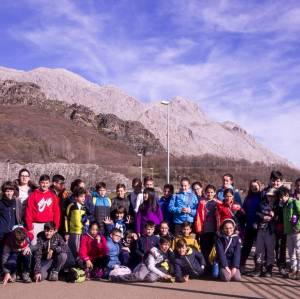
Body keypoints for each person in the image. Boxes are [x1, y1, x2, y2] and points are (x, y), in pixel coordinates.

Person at [25, 174, 61, 246]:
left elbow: (56, 212)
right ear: (39, 183)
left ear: (49, 183)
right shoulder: (33, 195)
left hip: (49, 225)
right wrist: (30, 227)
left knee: (48, 246)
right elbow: (28, 212)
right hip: (36, 225)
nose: (45, 185)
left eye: (47, 183)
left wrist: (56, 226)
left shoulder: (53, 196)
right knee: (34, 245)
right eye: (43, 183)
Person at [251, 189, 276, 277]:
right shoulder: (262, 204)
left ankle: (269, 269)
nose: (271, 197)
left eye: (272, 196)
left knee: (270, 250)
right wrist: (263, 217)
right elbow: (257, 213)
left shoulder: (278, 205)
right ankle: (258, 268)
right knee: (259, 249)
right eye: (269, 195)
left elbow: (280, 217)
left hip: (271, 231)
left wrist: (274, 215)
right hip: (261, 229)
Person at [240, 180, 262, 272]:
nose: (254, 188)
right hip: (249, 226)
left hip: (259, 226)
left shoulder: (262, 197)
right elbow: (243, 211)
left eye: (256, 186)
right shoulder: (248, 198)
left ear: (259, 186)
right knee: (246, 247)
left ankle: (258, 266)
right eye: (252, 186)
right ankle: (241, 265)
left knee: (259, 248)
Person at [194, 184, 219, 265]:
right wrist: (199, 229)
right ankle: (205, 266)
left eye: (212, 192)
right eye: (208, 192)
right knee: (204, 248)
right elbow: (198, 217)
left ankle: (212, 267)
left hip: (215, 230)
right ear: (205, 193)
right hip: (204, 229)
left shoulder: (218, 203)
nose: (210, 194)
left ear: (215, 193)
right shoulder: (202, 203)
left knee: (213, 248)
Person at [280, 186, 300, 280]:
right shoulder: (284, 205)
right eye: (280, 197)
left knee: (298, 251)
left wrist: (298, 226)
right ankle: (293, 269)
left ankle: (299, 271)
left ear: (287, 195)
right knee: (291, 252)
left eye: (282, 196)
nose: (281, 199)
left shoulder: (294, 202)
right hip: (288, 232)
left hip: (297, 231)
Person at [65, 187, 90, 258]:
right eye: (81, 196)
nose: (83, 198)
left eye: (84, 196)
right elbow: (66, 219)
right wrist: (67, 232)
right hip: (73, 233)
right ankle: (71, 266)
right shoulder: (71, 206)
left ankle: (78, 265)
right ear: (76, 197)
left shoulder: (84, 208)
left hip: (82, 233)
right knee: (73, 250)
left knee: (80, 250)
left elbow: (85, 220)